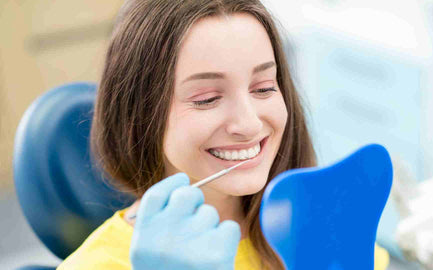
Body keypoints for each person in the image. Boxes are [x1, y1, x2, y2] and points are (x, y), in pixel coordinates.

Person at [57, 0, 390, 269]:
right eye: (207, 99)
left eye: (263, 88)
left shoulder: (314, 221)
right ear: (140, 113)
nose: (248, 124)